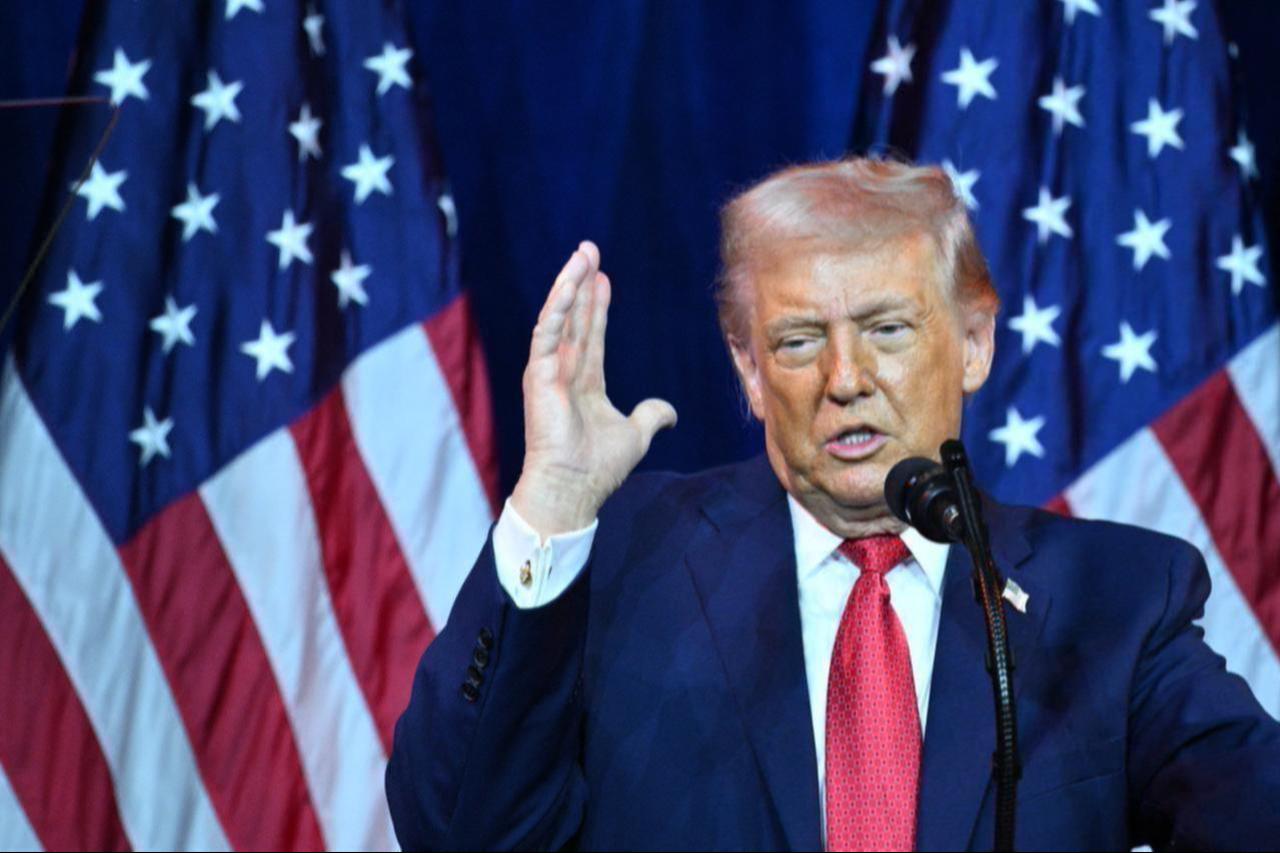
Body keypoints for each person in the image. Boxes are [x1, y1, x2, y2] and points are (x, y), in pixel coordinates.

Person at [385, 158, 1280, 851]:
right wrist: (554, 503)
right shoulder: (618, 558)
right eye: (800, 338)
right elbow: (456, 826)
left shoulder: (1115, 601)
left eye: (887, 329)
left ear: (973, 342)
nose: (844, 379)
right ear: (749, 368)